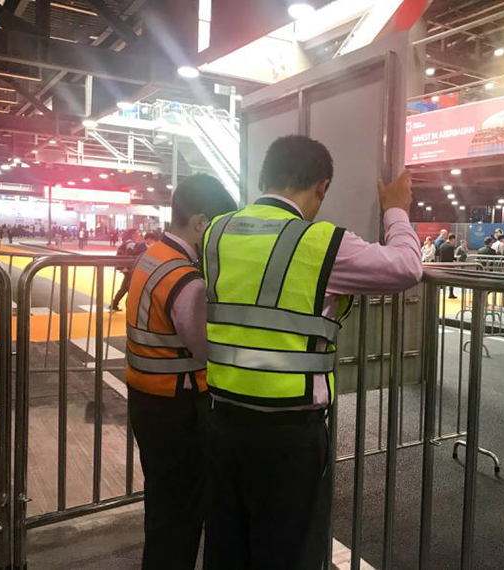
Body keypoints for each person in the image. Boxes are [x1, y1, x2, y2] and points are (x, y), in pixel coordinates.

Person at [202, 135, 421, 570]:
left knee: (227, 551)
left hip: (222, 423)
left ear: (262, 178)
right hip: (288, 436)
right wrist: (396, 209)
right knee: (288, 554)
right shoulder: (322, 243)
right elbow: (407, 266)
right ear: (322, 187)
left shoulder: (216, 232)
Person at [125, 174, 236, 570]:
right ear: (201, 223)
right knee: (181, 515)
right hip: (179, 409)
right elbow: (206, 349)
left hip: (147, 400)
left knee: (163, 509)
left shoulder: (153, 255)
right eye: (219, 228)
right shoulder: (185, 279)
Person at [110, 229, 144, 311]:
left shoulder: (126, 242)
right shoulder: (131, 244)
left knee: (125, 287)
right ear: (132, 235)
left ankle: (115, 304)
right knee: (129, 288)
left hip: (125, 268)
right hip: (129, 269)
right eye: (137, 233)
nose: (139, 234)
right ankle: (130, 307)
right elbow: (133, 255)